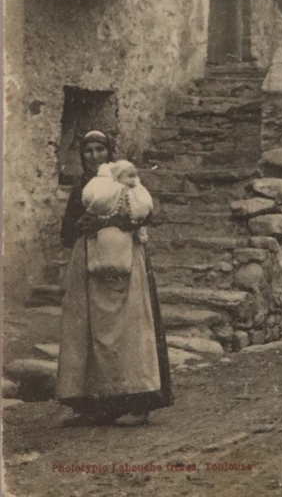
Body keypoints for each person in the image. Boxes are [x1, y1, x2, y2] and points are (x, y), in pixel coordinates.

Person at [57, 130, 172, 426]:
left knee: (130, 329)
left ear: (110, 153)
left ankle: (137, 402)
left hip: (125, 263)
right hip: (88, 263)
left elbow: (145, 215)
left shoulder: (125, 179)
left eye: (100, 150)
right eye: (88, 151)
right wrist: (83, 224)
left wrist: (117, 221)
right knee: (86, 333)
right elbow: (66, 234)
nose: (94, 156)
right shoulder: (82, 187)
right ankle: (92, 405)